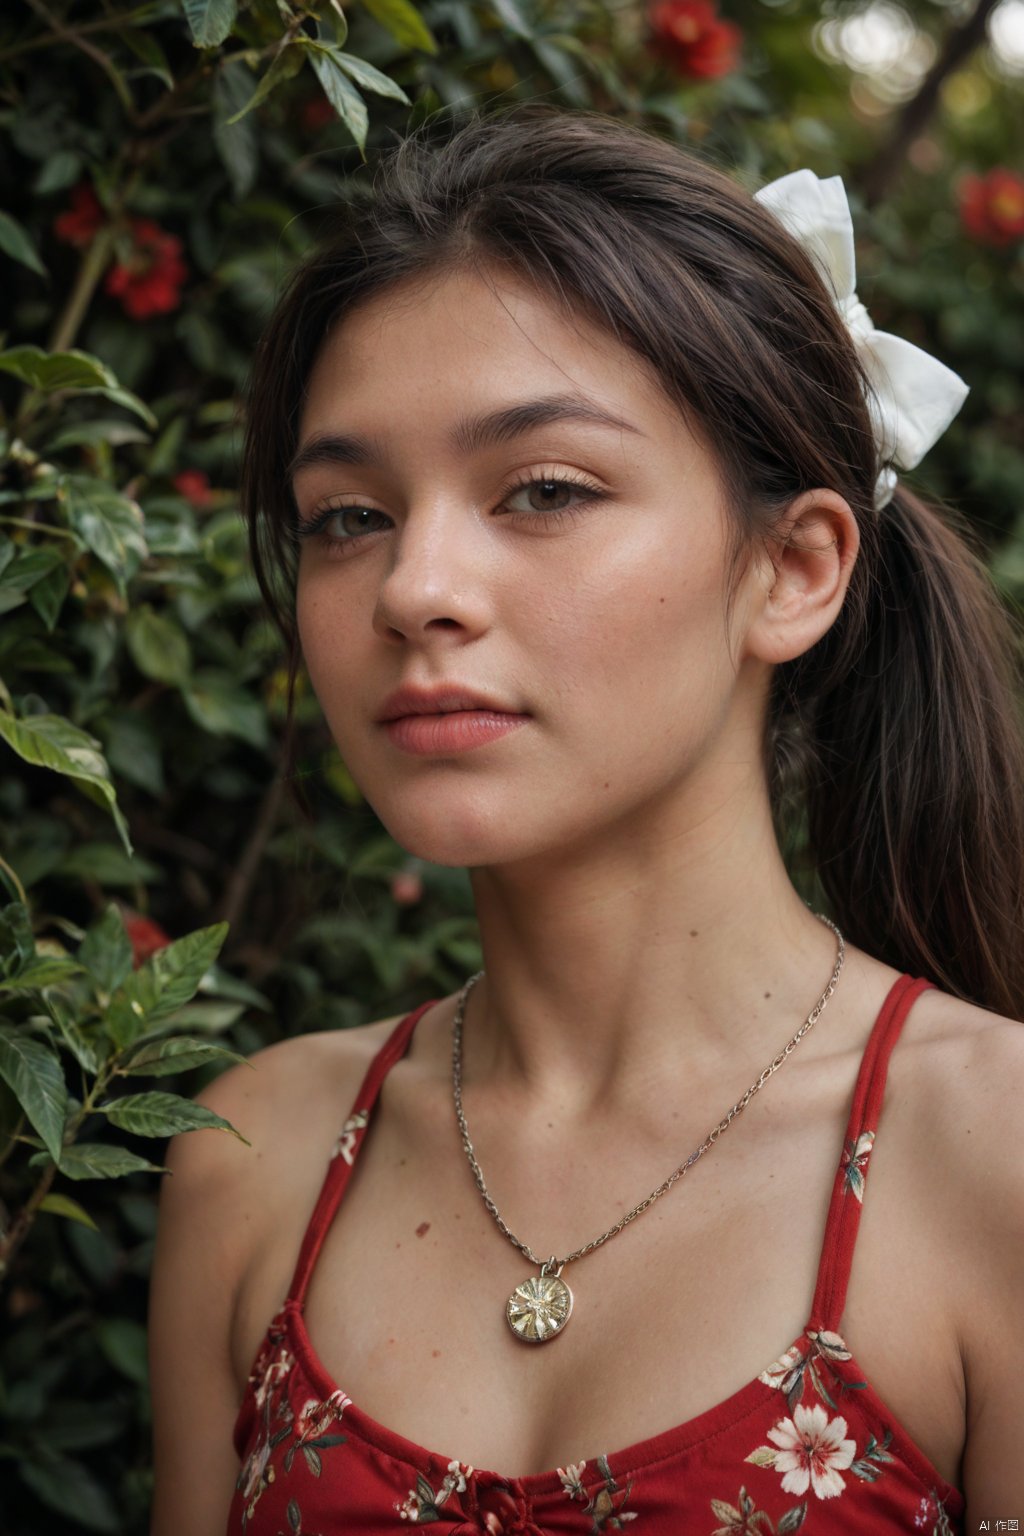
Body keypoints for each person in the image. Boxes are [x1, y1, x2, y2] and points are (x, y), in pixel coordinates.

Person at [148, 105, 1024, 1534]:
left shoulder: (996, 1154)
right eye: (348, 515)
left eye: (543, 490)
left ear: (792, 569)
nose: (414, 587)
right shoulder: (256, 1161)